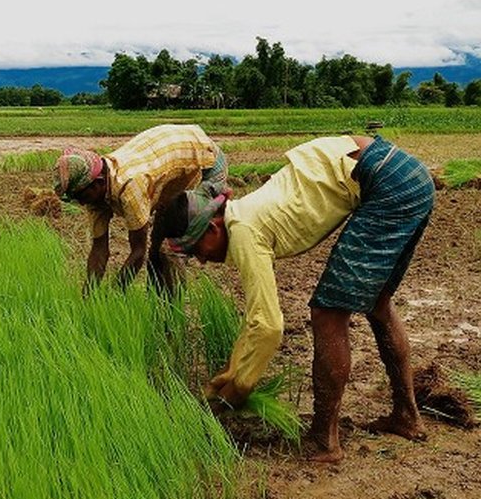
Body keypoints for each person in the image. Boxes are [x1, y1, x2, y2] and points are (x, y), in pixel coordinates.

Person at [163, 134, 435, 462]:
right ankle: (406, 416)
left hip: (384, 180)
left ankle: (324, 439)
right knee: (377, 303)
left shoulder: (244, 231)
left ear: (212, 229)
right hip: (405, 174)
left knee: (328, 313)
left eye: (197, 252)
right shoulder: (244, 215)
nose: (203, 261)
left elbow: (268, 326)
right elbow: (257, 319)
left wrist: (237, 389)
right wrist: (229, 373)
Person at [52, 124, 228, 292]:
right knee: (155, 251)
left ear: (97, 183)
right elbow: (100, 249)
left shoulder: (130, 187)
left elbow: (138, 252)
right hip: (167, 167)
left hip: (206, 158)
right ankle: (158, 304)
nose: (82, 203)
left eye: (81, 197)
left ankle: (174, 312)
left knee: (170, 248)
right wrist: (89, 295)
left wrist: (113, 295)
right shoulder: (93, 194)